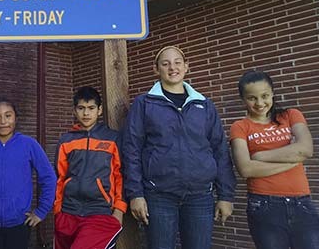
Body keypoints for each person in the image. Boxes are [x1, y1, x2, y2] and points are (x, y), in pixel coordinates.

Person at [122, 45, 236, 249]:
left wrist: (225, 195)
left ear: (186, 67)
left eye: (177, 62)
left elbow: (220, 150)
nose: (172, 67)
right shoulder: (144, 103)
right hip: (158, 196)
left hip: (200, 196)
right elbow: (131, 149)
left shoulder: (204, 105)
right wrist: (135, 194)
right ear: (156, 69)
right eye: (165, 64)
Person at [229, 70, 319, 249]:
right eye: (252, 98)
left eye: (265, 96)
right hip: (264, 204)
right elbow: (246, 169)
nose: (260, 103)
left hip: (302, 203)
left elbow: (306, 149)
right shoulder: (239, 127)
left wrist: (260, 156)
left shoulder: (291, 115)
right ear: (243, 100)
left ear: (272, 93)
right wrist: (294, 159)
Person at [0, 96, 56, 249]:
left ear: (15, 118)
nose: (3, 122)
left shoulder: (29, 144)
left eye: (8, 115)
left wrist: (41, 211)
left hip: (19, 225)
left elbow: (49, 178)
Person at [54, 86, 127, 249]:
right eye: (81, 108)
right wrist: (58, 210)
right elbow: (59, 176)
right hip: (68, 211)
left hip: (100, 211)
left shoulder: (112, 139)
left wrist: (119, 209)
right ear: (74, 111)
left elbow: (120, 175)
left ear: (99, 110)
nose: (86, 113)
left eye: (91, 108)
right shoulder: (66, 141)